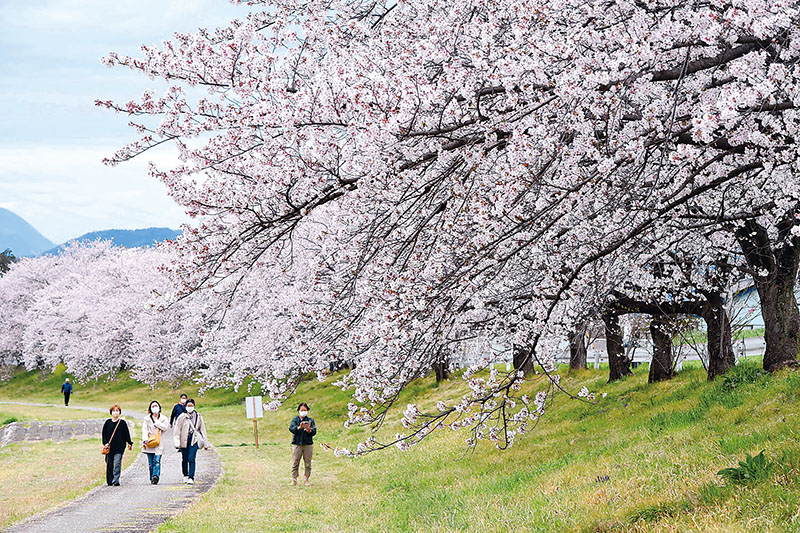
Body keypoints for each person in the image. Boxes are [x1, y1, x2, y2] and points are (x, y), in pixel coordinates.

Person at [173, 399, 208, 485]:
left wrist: (206, 443)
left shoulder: (198, 416)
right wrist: (177, 443)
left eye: (191, 405)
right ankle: (185, 475)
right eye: (188, 406)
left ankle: (191, 477)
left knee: (191, 458)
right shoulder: (182, 417)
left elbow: (202, 430)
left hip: (194, 439)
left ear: (194, 406)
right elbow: (177, 430)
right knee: (185, 459)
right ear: (185, 407)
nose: (190, 407)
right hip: (184, 439)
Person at [101, 404, 133, 486]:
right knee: (109, 464)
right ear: (111, 412)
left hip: (119, 447)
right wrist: (105, 443)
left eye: (117, 411)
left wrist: (129, 442)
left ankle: (116, 480)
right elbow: (104, 434)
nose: (115, 412)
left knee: (117, 463)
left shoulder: (122, 423)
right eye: (114, 411)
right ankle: (109, 480)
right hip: (109, 447)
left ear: (119, 412)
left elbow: (126, 434)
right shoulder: (108, 422)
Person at [141, 400, 169, 485]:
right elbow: (144, 429)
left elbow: (165, 428)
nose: (155, 408)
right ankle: (152, 477)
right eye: (153, 406)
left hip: (159, 442)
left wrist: (157, 423)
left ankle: (156, 476)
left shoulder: (163, 418)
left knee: (157, 461)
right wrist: (145, 439)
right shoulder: (147, 419)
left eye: (156, 406)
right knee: (150, 463)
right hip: (149, 442)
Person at [289, 402, 316, 486]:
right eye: (302, 410)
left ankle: (306, 479)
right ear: (298, 411)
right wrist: (299, 428)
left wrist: (309, 430)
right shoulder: (295, 420)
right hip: (297, 443)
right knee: (295, 462)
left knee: (308, 463)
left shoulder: (310, 420)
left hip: (308, 444)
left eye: (305, 410)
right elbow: (291, 428)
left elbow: (314, 431)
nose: (303, 412)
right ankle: (294, 479)